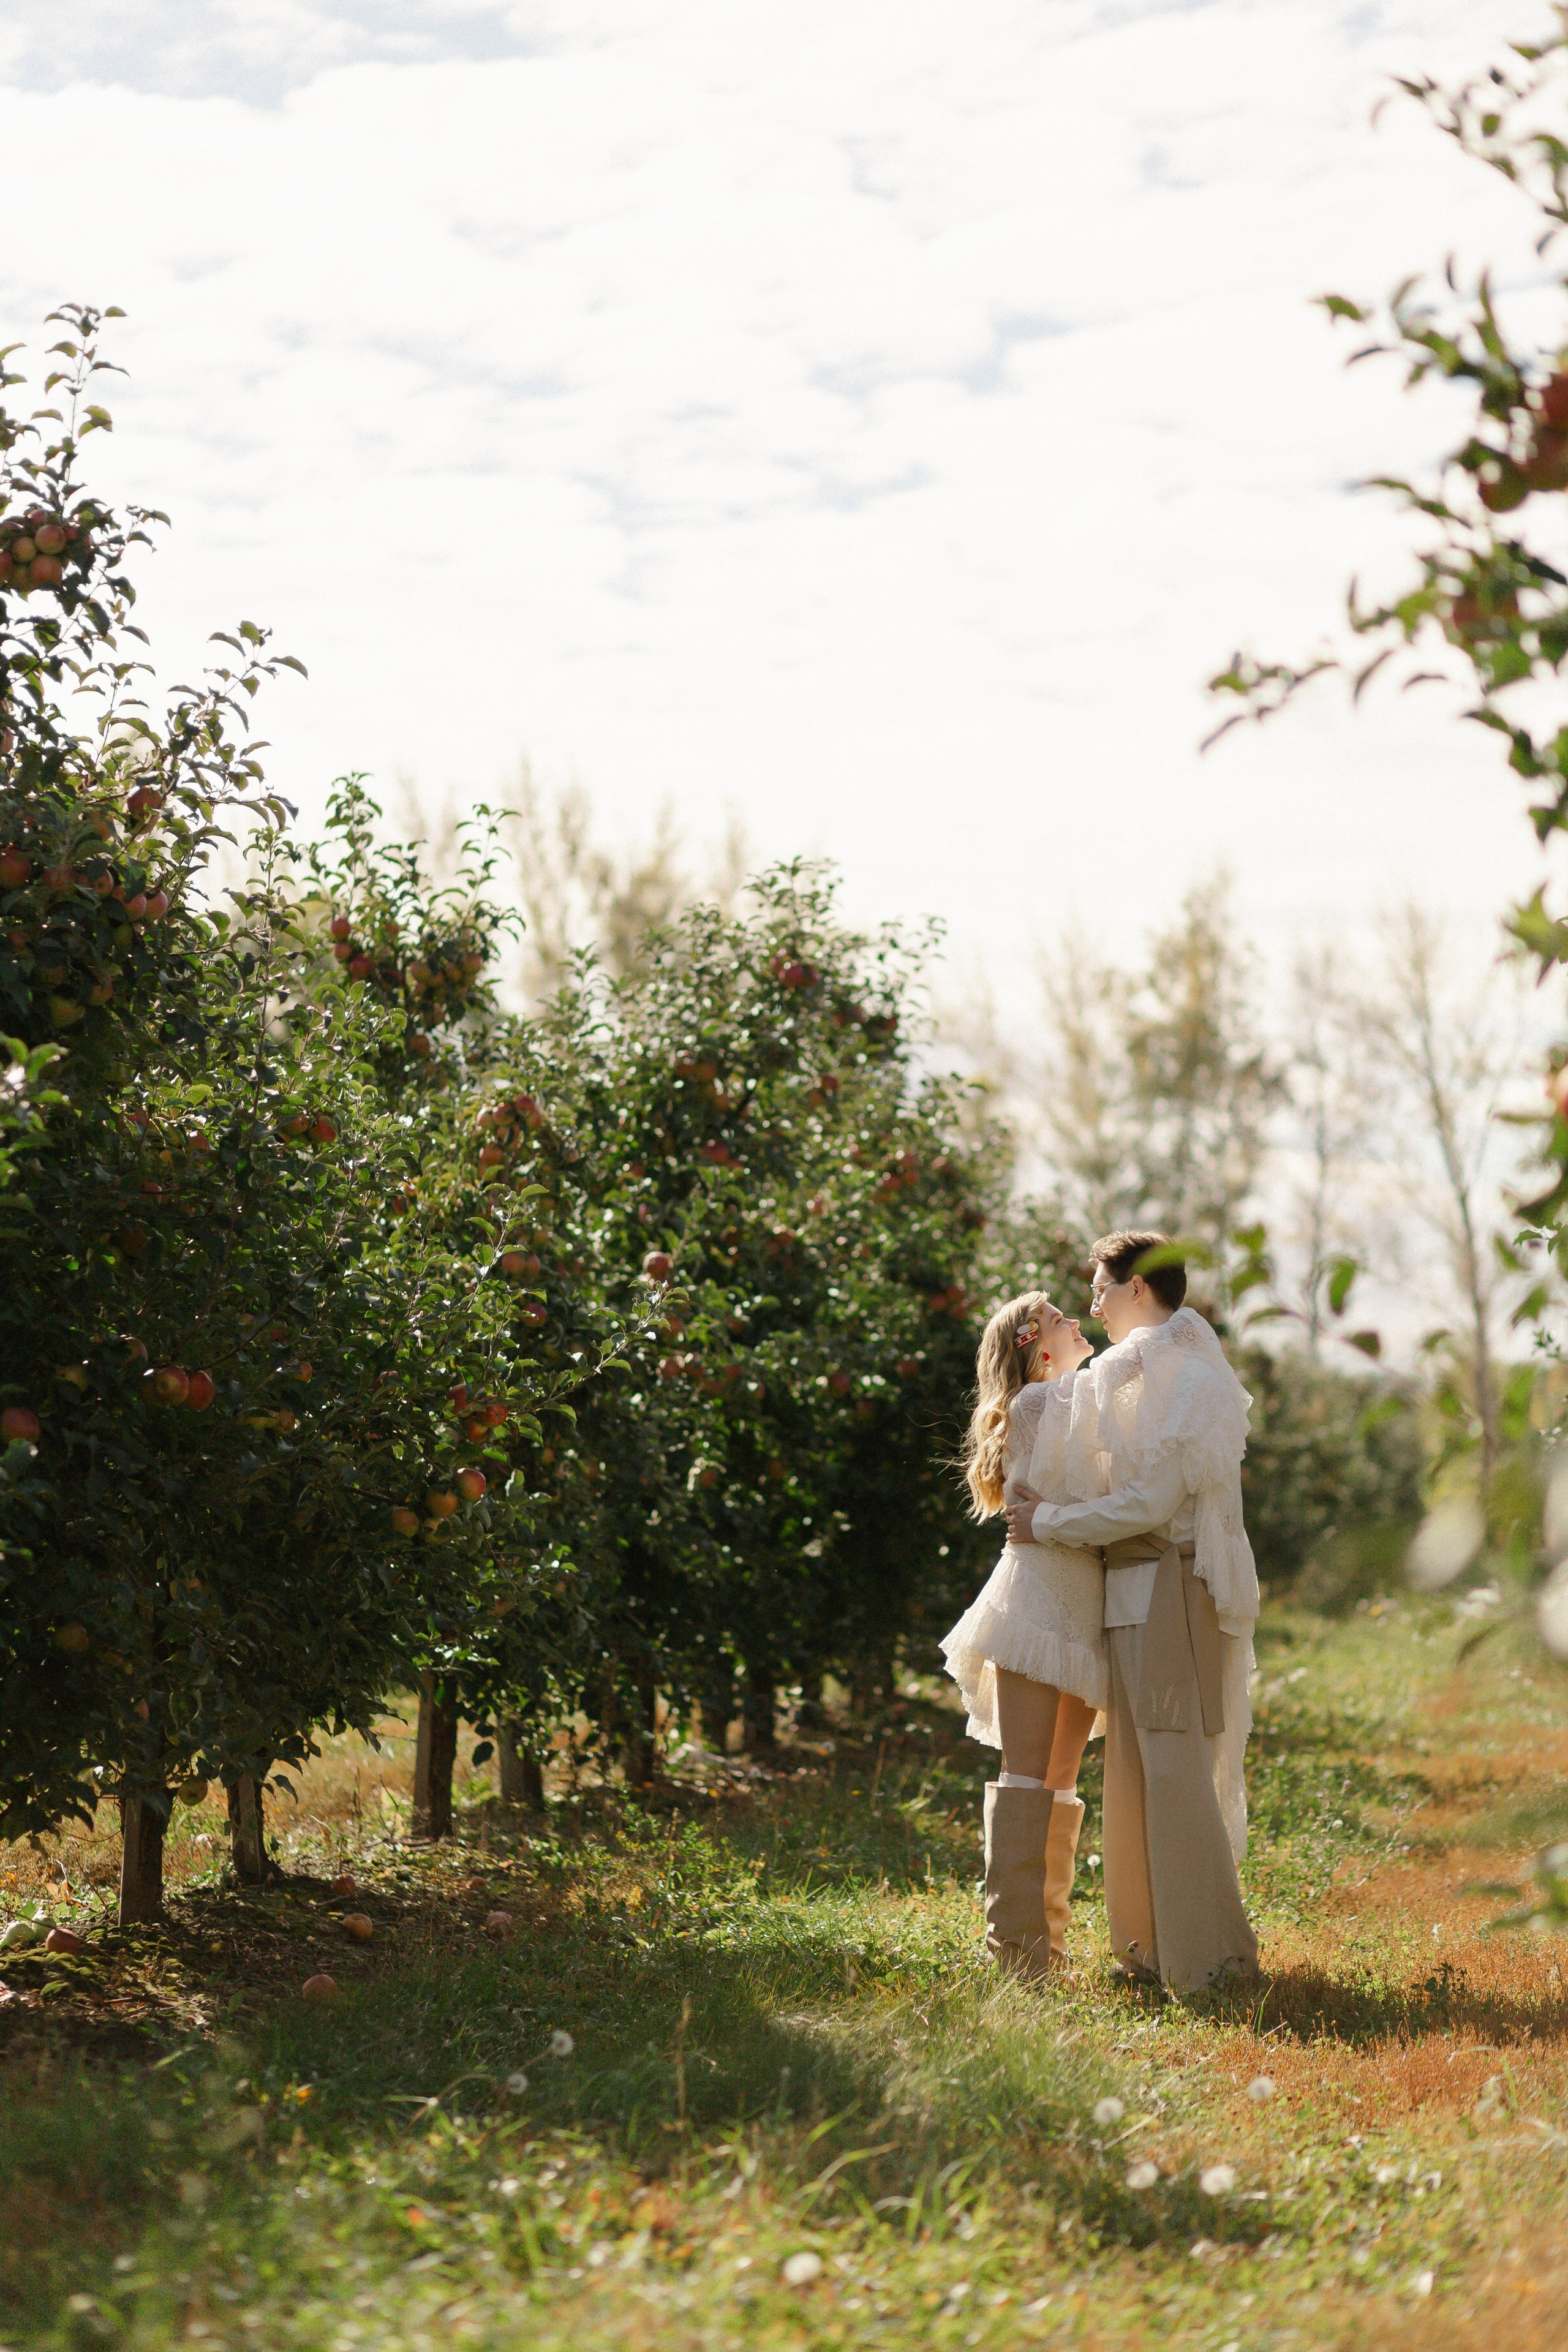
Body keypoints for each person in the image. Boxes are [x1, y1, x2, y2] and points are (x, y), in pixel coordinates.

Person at [1005, 1231, 1259, 1994]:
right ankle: (1147, 1949)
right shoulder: (1139, 1371)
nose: (1093, 1305)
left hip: (1169, 1592)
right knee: (1133, 1773)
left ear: (1139, 1289)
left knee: (1174, 1768)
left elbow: (1149, 1503)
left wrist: (1047, 1522)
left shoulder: (1178, 1375)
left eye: (1102, 1291)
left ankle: (1208, 1961)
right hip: (1134, 1592)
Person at [941, 1290, 1107, 1975]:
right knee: (1027, 1775)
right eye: (1062, 1320)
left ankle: (1045, 1952)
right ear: (1037, 1346)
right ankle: (1014, 1955)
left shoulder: (1064, 1404)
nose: (1077, 1324)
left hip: (1078, 1605)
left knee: (1059, 1782)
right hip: (1039, 1605)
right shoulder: (1042, 1404)